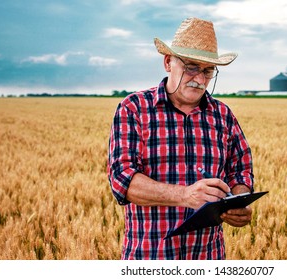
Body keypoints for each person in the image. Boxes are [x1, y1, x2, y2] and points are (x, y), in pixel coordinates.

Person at [107, 17, 254, 260]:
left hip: (209, 257)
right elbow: (122, 181)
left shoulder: (223, 116)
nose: (199, 79)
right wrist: (185, 196)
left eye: (208, 71)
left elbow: (241, 171)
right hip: (149, 257)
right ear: (168, 62)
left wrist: (238, 202)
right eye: (191, 67)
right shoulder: (134, 109)